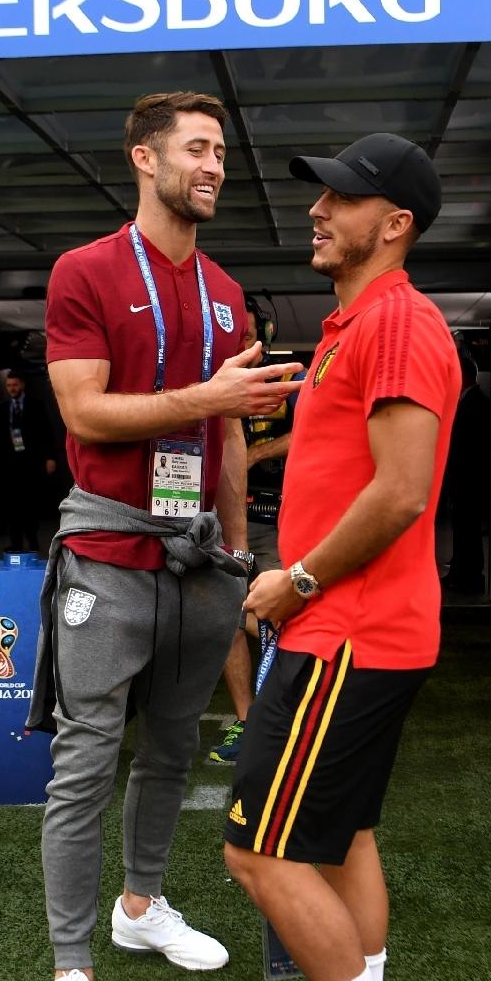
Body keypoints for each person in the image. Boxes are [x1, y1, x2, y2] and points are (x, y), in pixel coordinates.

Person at [23, 91, 303, 981]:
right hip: (108, 547)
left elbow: (223, 435)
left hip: (198, 558)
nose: (215, 165)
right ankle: (71, 979)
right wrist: (211, 397)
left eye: (221, 149)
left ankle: (141, 906)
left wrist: (236, 552)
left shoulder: (228, 290)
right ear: (145, 158)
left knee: (176, 744)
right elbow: (88, 415)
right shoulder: (85, 270)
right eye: (197, 148)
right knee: (87, 760)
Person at [223, 133, 459, 981]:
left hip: (346, 630)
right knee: (342, 835)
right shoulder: (352, 324)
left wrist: (296, 580)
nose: (320, 210)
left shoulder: (399, 321)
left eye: (342, 198)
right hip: (355, 631)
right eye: (320, 195)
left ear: (393, 223)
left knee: (257, 848)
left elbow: (401, 492)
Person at [209, 308, 296, 765]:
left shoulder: (283, 379)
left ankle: (285, 719)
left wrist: (256, 453)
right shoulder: (210, 379)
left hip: (280, 516)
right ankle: (247, 720)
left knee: (288, 617)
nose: (240, 341)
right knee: (227, 617)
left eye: (247, 334)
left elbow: (313, 434)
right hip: (222, 521)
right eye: (233, 333)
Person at [0, 374, 58, 554]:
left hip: (30, 461)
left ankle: (32, 541)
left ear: (22, 384)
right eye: (9, 385)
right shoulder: (2, 408)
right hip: (9, 464)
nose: (12, 388)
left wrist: (50, 457)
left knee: (30, 502)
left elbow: (46, 432)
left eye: (15, 384)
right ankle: (15, 542)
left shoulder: (35, 405)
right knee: (11, 504)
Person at [441, 351, 487, 595]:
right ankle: (462, 572)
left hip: (467, 480)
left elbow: (469, 448)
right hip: (463, 480)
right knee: (463, 528)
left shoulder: (475, 404)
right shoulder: (468, 402)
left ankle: (467, 576)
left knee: (466, 528)